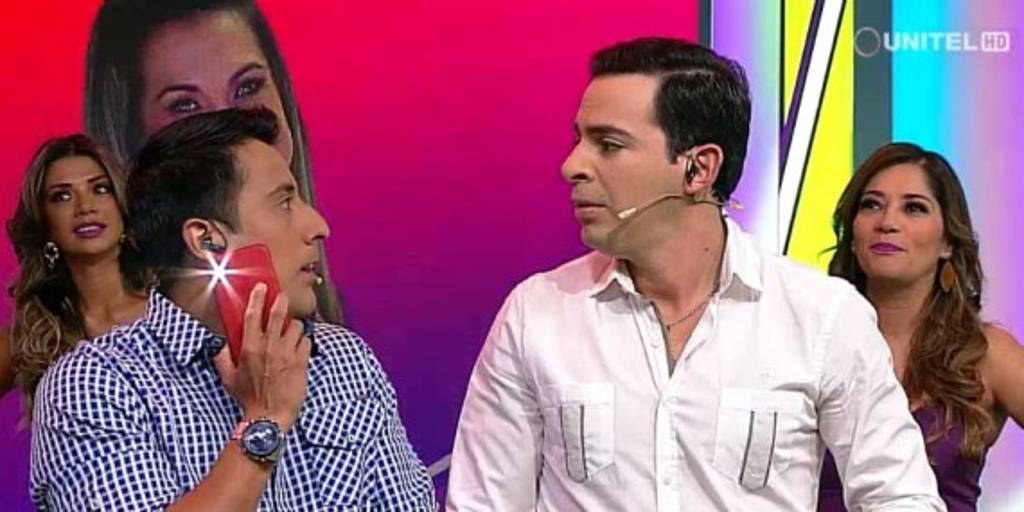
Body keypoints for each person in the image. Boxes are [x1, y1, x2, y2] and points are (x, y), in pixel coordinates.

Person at [447, 37, 944, 510]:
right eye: (579, 140)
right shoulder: (536, 314)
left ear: (698, 169)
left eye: (609, 145)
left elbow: (901, 498)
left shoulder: (821, 317)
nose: (572, 166)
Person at [30, 109, 436, 510]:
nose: (318, 226)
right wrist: (266, 417)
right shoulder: (95, 385)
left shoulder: (343, 359)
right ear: (207, 240)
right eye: (284, 203)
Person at [84, 0, 342, 323]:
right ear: (127, 138)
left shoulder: (342, 342)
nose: (233, 128)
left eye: (248, 87)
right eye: (185, 106)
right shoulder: (101, 352)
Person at [818, 143, 1024, 511]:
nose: (887, 222)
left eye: (913, 208)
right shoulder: (810, 339)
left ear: (948, 241)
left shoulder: (986, 353)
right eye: (871, 205)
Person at [4, 135, 149, 414]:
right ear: (44, 222)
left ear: (122, 205)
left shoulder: (171, 312)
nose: (85, 207)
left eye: (101, 189)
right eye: (62, 197)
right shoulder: (34, 333)